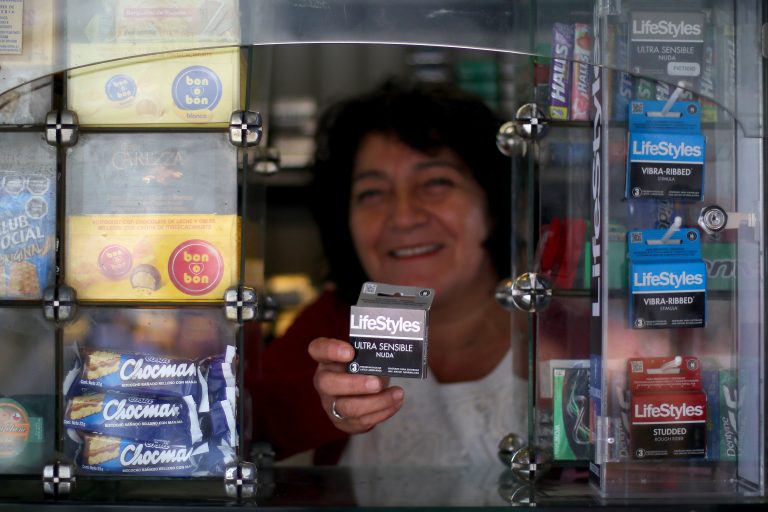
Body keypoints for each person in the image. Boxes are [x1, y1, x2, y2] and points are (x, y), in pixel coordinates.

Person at [246, 79, 528, 466]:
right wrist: (324, 404)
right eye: (373, 193)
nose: (403, 217)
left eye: (435, 183)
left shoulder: (558, 324)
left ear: (494, 203)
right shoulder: (332, 324)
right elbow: (236, 430)